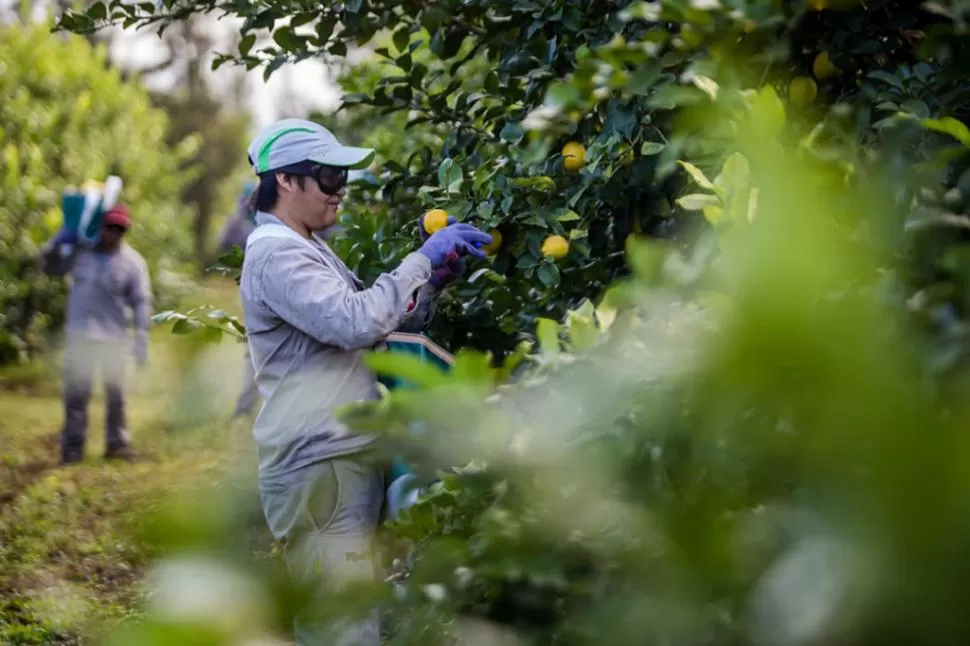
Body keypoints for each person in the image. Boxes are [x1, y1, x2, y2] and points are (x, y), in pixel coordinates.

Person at [239, 118, 490, 645]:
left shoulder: (307, 245)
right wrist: (419, 261)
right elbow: (354, 322)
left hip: (341, 457)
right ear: (286, 180)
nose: (341, 191)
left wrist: (430, 284)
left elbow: (371, 328)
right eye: (329, 177)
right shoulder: (276, 253)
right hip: (318, 464)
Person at [41, 204, 152, 465]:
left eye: (119, 229)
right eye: (109, 227)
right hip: (80, 337)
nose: (113, 233)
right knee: (76, 396)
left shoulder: (133, 263)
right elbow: (49, 267)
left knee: (117, 397)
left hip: (114, 339)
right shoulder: (79, 253)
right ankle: (72, 449)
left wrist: (142, 336)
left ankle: (117, 444)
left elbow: (141, 300)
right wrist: (58, 239)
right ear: (99, 226)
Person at [216, 183, 260, 420]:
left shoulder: (266, 223)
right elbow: (222, 243)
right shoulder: (243, 223)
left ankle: (248, 405)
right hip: (251, 290)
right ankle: (245, 405)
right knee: (256, 342)